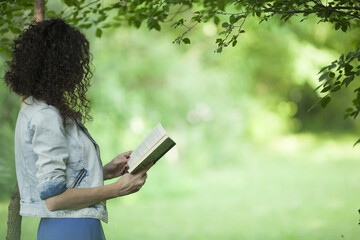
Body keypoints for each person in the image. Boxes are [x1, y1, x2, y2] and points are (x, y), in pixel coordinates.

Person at [4, 18, 151, 240]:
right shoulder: (46, 116)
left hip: (71, 226)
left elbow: (60, 180)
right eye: (74, 61)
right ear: (59, 65)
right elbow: (55, 199)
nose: (79, 70)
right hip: (70, 229)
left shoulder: (35, 107)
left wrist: (108, 170)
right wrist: (118, 189)